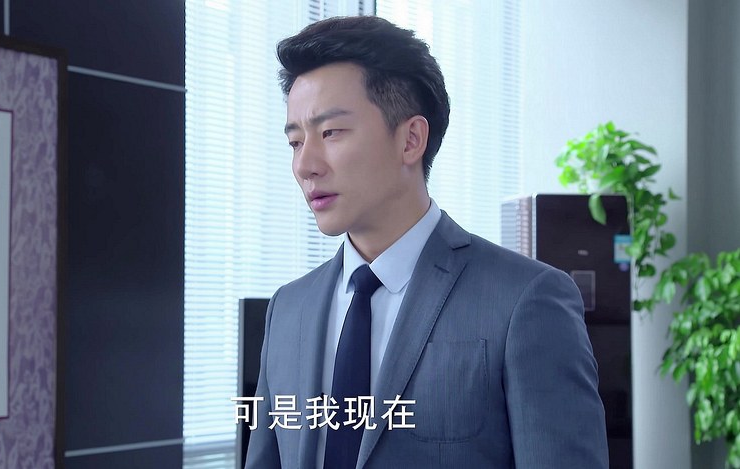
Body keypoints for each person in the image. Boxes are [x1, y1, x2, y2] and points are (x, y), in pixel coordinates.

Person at [245, 15, 608, 469]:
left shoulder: (525, 301)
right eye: (296, 142)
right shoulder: (288, 309)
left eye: (330, 132)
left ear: (411, 139)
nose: (305, 165)